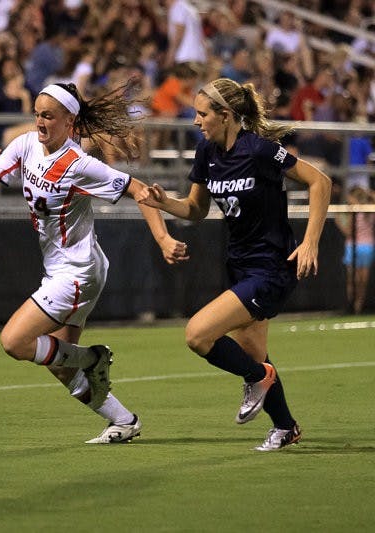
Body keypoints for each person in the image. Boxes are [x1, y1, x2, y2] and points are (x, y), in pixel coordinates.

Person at [0, 81, 189, 444]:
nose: (40, 123)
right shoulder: (25, 145)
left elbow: (140, 190)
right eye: (37, 114)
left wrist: (164, 238)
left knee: (15, 341)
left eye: (49, 116)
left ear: (69, 121)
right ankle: (124, 420)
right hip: (65, 268)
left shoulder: (78, 165)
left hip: (77, 272)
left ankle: (91, 359)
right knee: (59, 364)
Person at [137, 77, 332, 451]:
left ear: (225, 116)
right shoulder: (206, 153)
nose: (196, 121)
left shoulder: (259, 150)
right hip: (239, 266)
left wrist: (310, 241)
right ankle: (285, 426)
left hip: (271, 268)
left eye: (202, 113)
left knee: (198, 335)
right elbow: (195, 209)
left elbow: (319, 181)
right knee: (253, 349)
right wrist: (165, 203)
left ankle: (257, 377)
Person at [336, 186, 375, 315]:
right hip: (352, 246)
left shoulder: (370, 209)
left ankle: (358, 307)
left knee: (362, 281)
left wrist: (367, 195)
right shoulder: (351, 212)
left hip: (367, 246)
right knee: (353, 279)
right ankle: (351, 306)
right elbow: (347, 231)